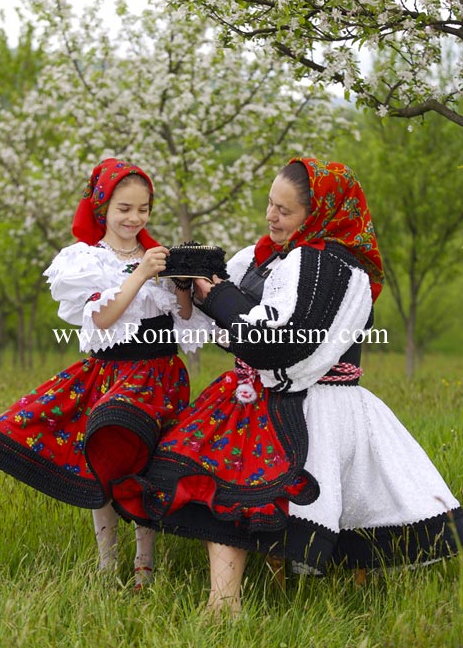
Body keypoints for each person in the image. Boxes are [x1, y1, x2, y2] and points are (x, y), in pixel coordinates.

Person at [104, 156, 463, 613]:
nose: (272, 216)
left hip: (318, 402)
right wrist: (189, 286)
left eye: (285, 211)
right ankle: (225, 601)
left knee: (310, 503)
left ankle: (337, 603)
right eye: (270, 204)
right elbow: (225, 328)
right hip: (257, 392)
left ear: (317, 216)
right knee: (213, 483)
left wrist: (216, 293)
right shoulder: (263, 257)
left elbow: (276, 343)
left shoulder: (330, 267)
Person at [0, 157, 210, 586]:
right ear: (103, 208)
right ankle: (106, 563)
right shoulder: (88, 259)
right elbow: (103, 320)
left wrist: (182, 287)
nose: (134, 218)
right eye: (124, 208)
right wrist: (139, 274)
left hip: (160, 375)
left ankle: (145, 563)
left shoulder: (157, 258)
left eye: (143, 209)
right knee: (104, 458)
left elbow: (183, 321)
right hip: (113, 374)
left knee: (147, 464)